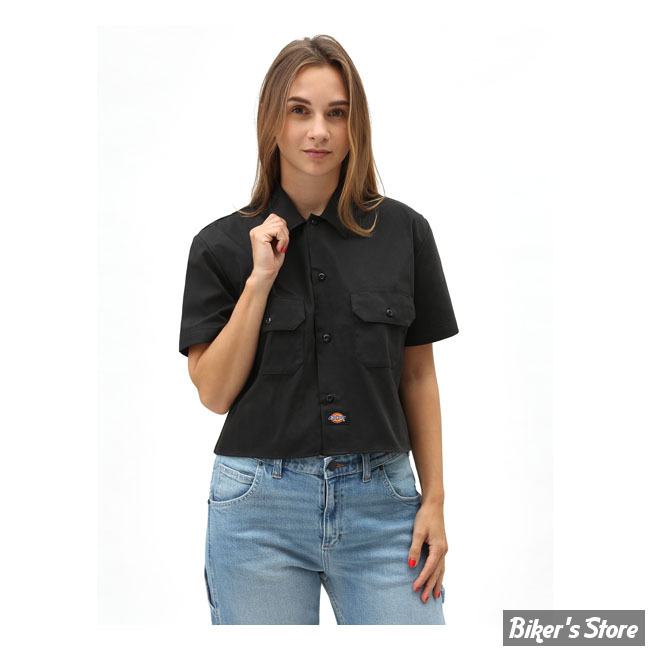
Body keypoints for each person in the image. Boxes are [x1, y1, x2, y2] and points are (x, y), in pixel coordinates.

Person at [178, 34, 459, 625]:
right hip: (258, 514)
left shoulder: (404, 233)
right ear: (272, 121)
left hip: (384, 507)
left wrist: (433, 499)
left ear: (356, 126)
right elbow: (214, 393)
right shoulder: (219, 246)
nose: (318, 131)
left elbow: (418, 377)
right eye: (299, 110)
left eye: (337, 113)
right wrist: (259, 281)